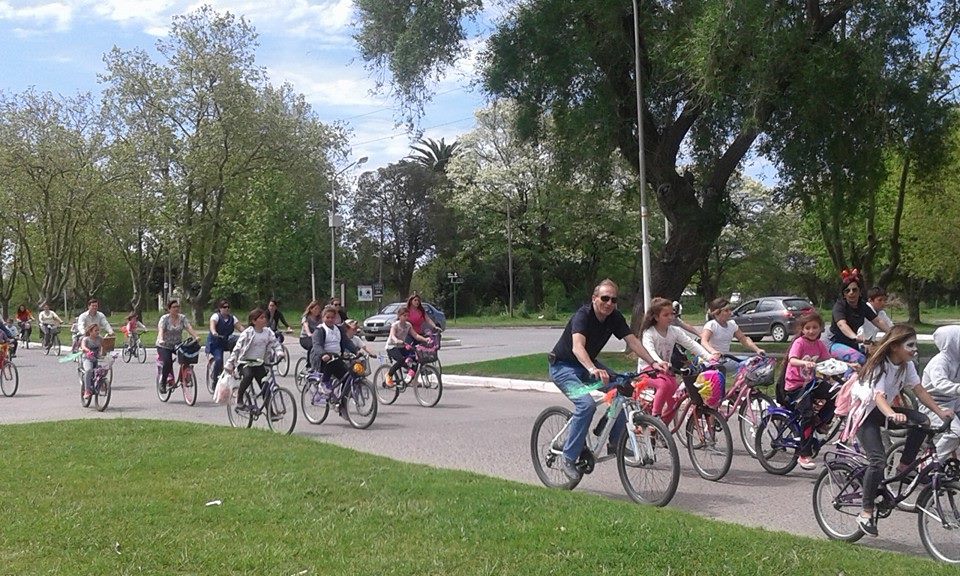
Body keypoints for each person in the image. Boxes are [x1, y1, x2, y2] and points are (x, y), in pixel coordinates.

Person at [549, 280, 666, 481]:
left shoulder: (614, 317)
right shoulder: (583, 316)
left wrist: (653, 362)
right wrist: (592, 368)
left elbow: (633, 341)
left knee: (624, 388)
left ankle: (614, 441)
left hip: (588, 365)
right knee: (586, 405)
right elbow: (578, 347)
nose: (609, 303)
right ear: (594, 299)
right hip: (563, 367)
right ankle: (569, 457)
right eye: (605, 298)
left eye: (614, 299)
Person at [854, 324, 953, 537]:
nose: (914, 349)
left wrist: (940, 410)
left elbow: (919, 390)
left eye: (915, 345)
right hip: (865, 415)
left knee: (923, 421)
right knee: (877, 461)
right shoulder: (880, 366)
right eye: (910, 345)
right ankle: (866, 512)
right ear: (894, 347)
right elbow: (878, 396)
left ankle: (904, 465)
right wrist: (891, 413)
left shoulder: (906, 366)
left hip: (884, 411)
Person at [637, 297, 719, 420]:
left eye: (672, 314)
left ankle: (663, 431)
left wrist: (708, 356)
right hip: (648, 369)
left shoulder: (674, 331)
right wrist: (658, 362)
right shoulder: (649, 332)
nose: (671, 317)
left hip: (666, 370)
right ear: (656, 317)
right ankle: (655, 419)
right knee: (664, 385)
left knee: (675, 399)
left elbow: (691, 344)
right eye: (666, 315)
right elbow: (650, 351)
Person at [784, 312, 836, 470]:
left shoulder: (819, 344)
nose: (812, 331)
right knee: (806, 414)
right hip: (796, 386)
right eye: (808, 328)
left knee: (836, 393)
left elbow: (829, 360)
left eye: (815, 327)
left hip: (811, 383)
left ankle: (819, 422)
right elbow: (792, 360)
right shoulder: (799, 343)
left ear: (820, 328)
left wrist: (848, 365)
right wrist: (804, 364)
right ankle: (803, 454)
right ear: (802, 329)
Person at [828, 269, 892, 365]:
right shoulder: (839, 306)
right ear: (844, 294)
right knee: (861, 360)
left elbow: (878, 321)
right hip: (835, 344)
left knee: (877, 359)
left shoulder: (863, 306)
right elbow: (842, 325)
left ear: (860, 292)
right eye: (847, 291)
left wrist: (893, 333)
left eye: (854, 289)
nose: (851, 293)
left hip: (852, 345)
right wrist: (854, 337)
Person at [224, 308, 284, 411]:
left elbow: (275, 343)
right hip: (245, 363)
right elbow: (237, 349)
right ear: (254, 321)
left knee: (266, 387)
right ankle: (239, 399)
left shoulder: (268, 332)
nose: (264, 319)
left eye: (265, 317)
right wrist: (230, 363)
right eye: (261, 318)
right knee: (248, 375)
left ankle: (271, 413)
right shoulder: (248, 333)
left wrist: (279, 352)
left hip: (259, 363)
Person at [920, 325, 960, 460]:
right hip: (934, 404)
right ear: (952, 342)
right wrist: (958, 388)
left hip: (954, 402)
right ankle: (929, 464)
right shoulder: (939, 362)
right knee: (955, 433)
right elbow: (940, 384)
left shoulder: (957, 360)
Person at [701, 297, 765, 374]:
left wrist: (757, 349)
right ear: (717, 312)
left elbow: (743, 339)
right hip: (712, 361)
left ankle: (740, 385)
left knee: (751, 362)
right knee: (747, 365)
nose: (730, 313)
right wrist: (713, 352)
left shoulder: (732, 324)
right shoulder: (711, 325)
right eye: (726, 310)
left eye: (730, 310)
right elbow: (704, 341)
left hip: (725, 359)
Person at [310, 305, 360, 394]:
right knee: (331, 363)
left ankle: (342, 404)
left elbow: (346, 342)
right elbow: (317, 345)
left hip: (337, 357)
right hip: (323, 360)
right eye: (327, 317)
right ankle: (324, 383)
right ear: (323, 318)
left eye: (332, 317)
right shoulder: (320, 330)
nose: (330, 319)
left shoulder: (339, 329)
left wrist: (356, 351)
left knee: (347, 377)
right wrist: (323, 354)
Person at [156, 300, 201, 394]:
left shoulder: (182, 318)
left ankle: (185, 376)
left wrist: (195, 336)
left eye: (178, 307)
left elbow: (188, 327)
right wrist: (160, 339)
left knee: (187, 357)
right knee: (168, 362)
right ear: (169, 309)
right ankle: (163, 383)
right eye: (174, 307)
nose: (176, 309)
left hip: (177, 344)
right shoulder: (164, 318)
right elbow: (161, 330)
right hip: (164, 345)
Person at [383, 305, 430, 388]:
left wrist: (425, 339)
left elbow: (415, 335)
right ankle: (389, 375)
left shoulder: (408, 325)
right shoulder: (395, 325)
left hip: (402, 346)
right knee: (401, 360)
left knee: (415, 361)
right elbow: (392, 335)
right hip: (392, 347)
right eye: (404, 315)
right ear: (399, 316)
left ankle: (408, 379)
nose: (406, 317)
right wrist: (396, 340)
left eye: (407, 316)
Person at [208, 299, 243, 385]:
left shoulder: (232, 318)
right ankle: (215, 381)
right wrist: (214, 332)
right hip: (216, 342)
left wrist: (248, 333)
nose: (227, 309)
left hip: (226, 341)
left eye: (228, 307)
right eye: (224, 307)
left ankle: (233, 364)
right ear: (220, 308)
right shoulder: (215, 317)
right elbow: (212, 326)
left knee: (236, 343)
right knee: (219, 360)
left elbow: (241, 328)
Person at [80, 324, 103, 400]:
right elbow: (83, 346)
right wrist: (87, 350)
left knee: (103, 369)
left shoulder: (100, 338)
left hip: (97, 358)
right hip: (87, 358)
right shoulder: (86, 339)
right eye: (95, 330)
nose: (97, 332)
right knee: (89, 370)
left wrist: (103, 352)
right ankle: (87, 390)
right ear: (90, 331)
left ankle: (102, 384)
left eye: (98, 330)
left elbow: (103, 347)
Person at [299, 300, 322, 369]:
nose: (317, 310)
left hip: (316, 337)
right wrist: (309, 333)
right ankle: (309, 365)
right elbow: (306, 326)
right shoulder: (306, 317)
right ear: (311, 309)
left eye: (318, 309)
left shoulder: (320, 318)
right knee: (312, 346)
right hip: (305, 338)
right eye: (315, 309)